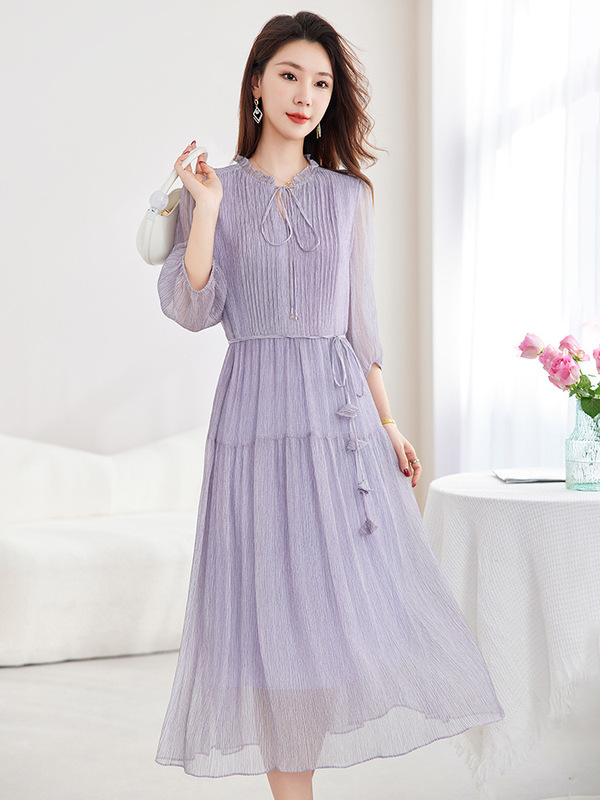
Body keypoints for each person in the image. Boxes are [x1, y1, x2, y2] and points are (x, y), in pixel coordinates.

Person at [154, 10, 504, 800]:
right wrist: (204, 208)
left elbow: (359, 325)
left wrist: (390, 423)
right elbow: (193, 306)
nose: (304, 95)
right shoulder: (210, 190)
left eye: (320, 82)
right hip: (252, 416)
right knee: (269, 619)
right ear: (257, 83)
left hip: (337, 419)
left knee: (328, 624)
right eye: (289, 76)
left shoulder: (348, 197)